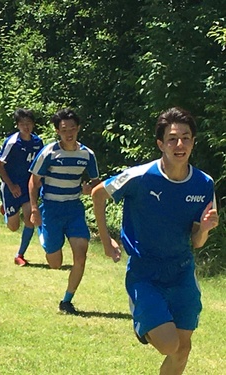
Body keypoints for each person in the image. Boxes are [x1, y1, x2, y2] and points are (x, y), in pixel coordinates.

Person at [91, 107, 218, 375]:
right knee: (169, 345)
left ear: (193, 142)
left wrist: (205, 229)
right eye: (172, 138)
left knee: (183, 350)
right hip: (145, 272)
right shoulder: (140, 177)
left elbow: (197, 241)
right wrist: (106, 240)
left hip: (182, 271)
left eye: (185, 137)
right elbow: (98, 194)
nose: (179, 144)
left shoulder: (204, 184)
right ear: (160, 144)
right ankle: (143, 321)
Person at [29, 108, 100, 315]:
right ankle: (42, 232)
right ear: (57, 131)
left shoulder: (87, 155)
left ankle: (67, 301)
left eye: (72, 129)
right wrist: (34, 209)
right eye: (64, 130)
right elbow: (33, 181)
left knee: (81, 255)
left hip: (74, 209)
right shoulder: (49, 152)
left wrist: (89, 189)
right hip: (51, 208)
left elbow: (96, 183)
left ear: (78, 129)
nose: (69, 133)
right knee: (55, 263)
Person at [0, 108, 44, 266]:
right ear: (17, 125)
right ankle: (6, 209)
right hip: (11, 187)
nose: (26, 127)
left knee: (30, 219)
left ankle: (20, 255)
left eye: (29, 123)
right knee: (13, 226)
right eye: (23, 124)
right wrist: (10, 185)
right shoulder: (12, 142)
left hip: (28, 187)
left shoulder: (38, 142)